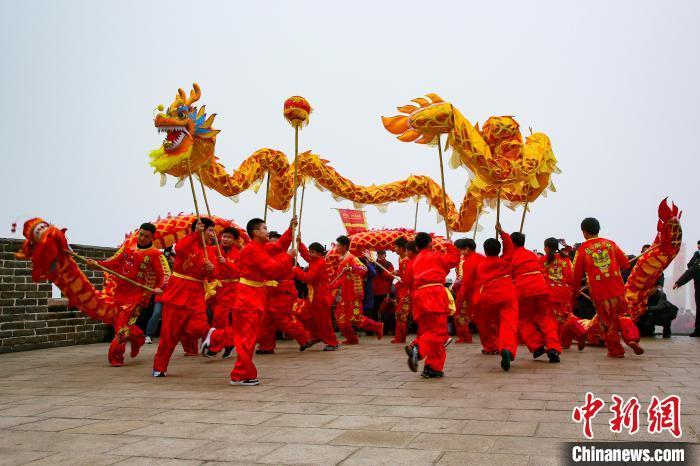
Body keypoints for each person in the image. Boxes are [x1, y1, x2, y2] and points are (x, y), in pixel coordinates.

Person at [225, 217, 297, 385]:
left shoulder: (261, 247)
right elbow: (272, 269)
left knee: (249, 337)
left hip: (253, 295)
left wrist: (290, 229)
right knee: (247, 338)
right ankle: (240, 374)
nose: (267, 230)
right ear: (255, 232)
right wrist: (287, 257)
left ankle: (240, 370)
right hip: (247, 298)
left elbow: (278, 246)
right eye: (264, 228)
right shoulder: (252, 249)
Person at [89, 222, 170, 367]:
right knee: (119, 324)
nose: (142, 238)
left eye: (146, 236)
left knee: (122, 327)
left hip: (138, 297)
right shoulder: (128, 245)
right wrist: (97, 264)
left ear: (152, 237)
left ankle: (115, 357)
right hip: (120, 293)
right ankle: (138, 338)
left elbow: (165, 274)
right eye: (141, 234)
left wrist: (160, 287)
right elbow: (114, 262)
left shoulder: (156, 254)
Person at [152, 218, 219, 376]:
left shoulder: (210, 251)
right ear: (199, 229)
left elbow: (215, 273)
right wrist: (196, 233)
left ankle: (209, 339)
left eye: (213, 231)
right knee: (169, 334)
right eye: (209, 230)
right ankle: (159, 367)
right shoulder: (186, 242)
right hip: (178, 291)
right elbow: (180, 249)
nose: (212, 234)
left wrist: (212, 269)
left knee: (199, 326)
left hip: (197, 293)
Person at [570, 217, 642, 357]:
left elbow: (576, 275)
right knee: (622, 316)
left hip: (598, 291)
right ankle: (632, 338)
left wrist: (575, 291)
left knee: (606, 321)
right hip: (617, 288)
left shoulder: (582, 250)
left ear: (584, 232)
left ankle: (615, 349)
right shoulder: (610, 244)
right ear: (598, 229)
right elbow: (625, 264)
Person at [462, 226, 519, 371]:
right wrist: (502, 233)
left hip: (489, 298)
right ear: (499, 250)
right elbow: (510, 248)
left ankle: (499, 346)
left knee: (498, 325)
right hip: (506, 294)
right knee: (508, 325)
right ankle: (507, 348)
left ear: (485, 251)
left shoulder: (482, 265)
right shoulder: (505, 261)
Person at [405, 232, 459, 378]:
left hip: (419, 296)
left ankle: (433, 367)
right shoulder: (437, 256)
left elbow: (408, 281)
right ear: (431, 244)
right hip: (434, 294)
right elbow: (454, 259)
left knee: (428, 332)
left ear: (416, 247)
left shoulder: (414, 261)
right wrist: (449, 245)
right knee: (440, 333)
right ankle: (417, 347)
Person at [255, 227, 316, 354]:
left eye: (275, 243)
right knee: (266, 321)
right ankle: (266, 346)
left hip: (282, 292)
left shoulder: (286, 257)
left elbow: (275, 269)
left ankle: (305, 338)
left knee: (284, 320)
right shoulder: (265, 255)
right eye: (270, 242)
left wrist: (291, 229)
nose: (272, 245)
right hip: (269, 292)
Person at [510, 232, 562, 363]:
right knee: (546, 318)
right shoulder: (531, 254)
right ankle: (553, 347)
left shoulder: (512, 256)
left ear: (512, 243)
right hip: (540, 286)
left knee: (523, 319)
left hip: (523, 289)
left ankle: (536, 346)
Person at [330, 235, 384, 344]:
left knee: (355, 318)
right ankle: (352, 339)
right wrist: (328, 287)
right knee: (340, 317)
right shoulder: (341, 261)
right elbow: (339, 280)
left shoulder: (352, 258)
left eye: (339, 246)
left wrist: (351, 268)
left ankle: (377, 326)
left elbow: (364, 269)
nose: (337, 248)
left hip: (353, 294)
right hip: (344, 295)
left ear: (345, 246)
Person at [541, 238, 587, 349]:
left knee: (563, 316)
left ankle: (581, 330)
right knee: (561, 318)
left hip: (551, 293)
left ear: (547, 248)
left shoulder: (543, 260)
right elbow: (571, 276)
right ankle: (564, 342)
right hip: (565, 292)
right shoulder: (565, 259)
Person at [202, 227, 241, 359]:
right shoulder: (212, 250)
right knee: (217, 319)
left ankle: (214, 347)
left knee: (219, 318)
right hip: (213, 290)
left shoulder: (238, 254)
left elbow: (239, 272)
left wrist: (226, 263)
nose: (225, 239)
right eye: (224, 236)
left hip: (231, 290)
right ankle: (229, 343)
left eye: (229, 237)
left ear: (235, 240)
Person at [295, 240, 340, 350]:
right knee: (304, 315)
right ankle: (315, 336)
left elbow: (308, 277)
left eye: (312, 252)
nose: (310, 254)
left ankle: (333, 343)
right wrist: (299, 243)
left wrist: (296, 271)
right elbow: (305, 254)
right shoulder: (313, 260)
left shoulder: (320, 263)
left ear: (319, 254)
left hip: (321, 296)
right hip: (312, 295)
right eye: (310, 251)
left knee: (323, 321)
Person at [453, 238, 483, 344]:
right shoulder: (481, 257)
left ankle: (464, 336)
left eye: (460, 250)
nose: (459, 252)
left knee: (461, 313)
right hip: (482, 290)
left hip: (468, 291)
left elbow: (464, 280)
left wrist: (461, 293)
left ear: (466, 249)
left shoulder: (465, 261)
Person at [146, 246, 175, 344]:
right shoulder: (159, 263)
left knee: (171, 317)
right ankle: (148, 335)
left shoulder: (178, 265)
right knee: (157, 313)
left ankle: (170, 336)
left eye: (172, 256)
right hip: (161, 294)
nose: (170, 258)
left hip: (172, 295)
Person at [673, 240, 700, 336]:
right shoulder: (697, 259)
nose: (699, 248)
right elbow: (690, 271)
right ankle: (698, 331)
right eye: (698, 247)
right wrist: (678, 282)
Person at [392, 238, 415, 344]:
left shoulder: (406, 260)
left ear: (402, 248)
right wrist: (397, 273)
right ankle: (400, 337)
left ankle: (400, 337)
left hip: (407, 291)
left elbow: (407, 279)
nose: (395, 249)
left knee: (401, 314)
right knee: (401, 314)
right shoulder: (401, 259)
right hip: (404, 290)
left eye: (396, 247)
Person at [372, 250, 396, 333]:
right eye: (379, 254)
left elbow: (391, 276)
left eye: (382, 254)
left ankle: (385, 329)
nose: (380, 255)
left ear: (385, 255)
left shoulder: (388, 264)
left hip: (385, 291)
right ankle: (374, 328)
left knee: (384, 311)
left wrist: (382, 271)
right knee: (374, 311)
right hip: (374, 291)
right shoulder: (373, 263)